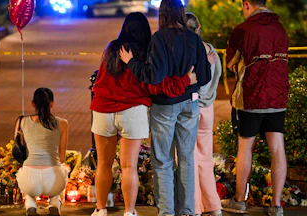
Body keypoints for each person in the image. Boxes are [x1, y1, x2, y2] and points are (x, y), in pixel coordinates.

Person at [90, 12, 197, 216]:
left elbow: (100, 80)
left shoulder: (112, 48)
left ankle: (100, 209)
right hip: (132, 111)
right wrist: (184, 80)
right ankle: (129, 212)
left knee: (103, 164)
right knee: (129, 166)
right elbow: (155, 85)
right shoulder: (148, 52)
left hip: (103, 110)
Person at [119, 0, 211, 215]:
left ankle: (167, 212)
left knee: (163, 161)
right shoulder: (193, 39)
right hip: (190, 104)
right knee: (187, 159)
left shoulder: (159, 38)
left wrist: (131, 63)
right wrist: (188, 82)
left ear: (163, 14)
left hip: (165, 106)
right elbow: (205, 76)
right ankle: (187, 211)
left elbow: (153, 76)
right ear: (180, 13)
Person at [222, 1, 289, 216]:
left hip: (252, 96)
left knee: (245, 148)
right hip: (277, 97)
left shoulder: (242, 29)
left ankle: (239, 201)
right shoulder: (280, 28)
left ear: (247, 4)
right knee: (277, 149)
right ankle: (276, 206)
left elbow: (232, 61)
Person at [186, 12, 223, 216]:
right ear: (198, 28)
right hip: (208, 108)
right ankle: (213, 206)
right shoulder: (212, 50)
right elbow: (215, 77)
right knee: (206, 158)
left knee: (188, 158)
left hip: (191, 108)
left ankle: (194, 207)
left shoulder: (188, 51)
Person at [15, 88, 69, 216]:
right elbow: (62, 158)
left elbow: (19, 150)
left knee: (28, 189)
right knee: (62, 170)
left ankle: (30, 204)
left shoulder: (21, 121)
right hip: (53, 179)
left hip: (29, 177)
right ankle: (55, 203)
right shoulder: (62, 123)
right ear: (52, 104)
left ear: (33, 103)